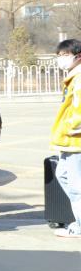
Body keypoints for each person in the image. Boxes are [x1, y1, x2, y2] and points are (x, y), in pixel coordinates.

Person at [50, 39, 81, 238]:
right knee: (63, 175)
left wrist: (70, 127)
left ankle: (79, 227)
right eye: (59, 56)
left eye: (65, 55)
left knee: (76, 186)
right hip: (69, 142)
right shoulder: (73, 77)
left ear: (78, 56)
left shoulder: (79, 78)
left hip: (75, 140)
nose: (61, 59)